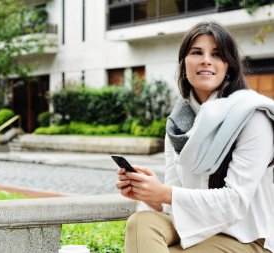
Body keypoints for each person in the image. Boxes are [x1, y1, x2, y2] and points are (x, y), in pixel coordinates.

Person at [115, 21, 274, 253]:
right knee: (141, 223)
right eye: (196, 52)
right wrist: (150, 194)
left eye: (217, 54)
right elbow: (172, 200)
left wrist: (164, 193)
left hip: (247, 237)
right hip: (197, 226)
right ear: (183, 64)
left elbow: (235, 202)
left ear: (229, 66)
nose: (206, 60)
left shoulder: (252, 116)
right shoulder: (178, 126)